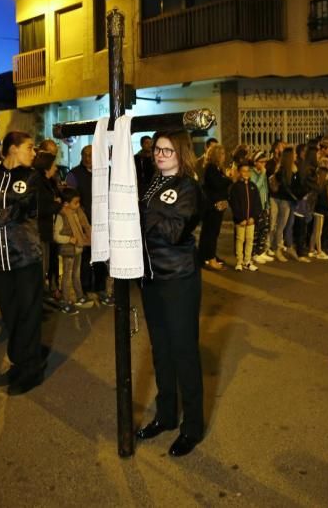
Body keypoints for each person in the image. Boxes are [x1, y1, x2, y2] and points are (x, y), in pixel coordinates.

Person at [136, 131, 205, 457]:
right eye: (158, 149)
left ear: (181, 153)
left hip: (179, 279)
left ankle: (193, 426)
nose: (160, 154)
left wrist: (144, 216)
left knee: (184, 353)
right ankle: (166, 416)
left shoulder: (188, 187)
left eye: (168, 150)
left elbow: (175, 231)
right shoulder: (152, 183)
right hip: (151, 278)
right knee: (160, 350)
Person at [0, 131, 46, 396]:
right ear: (13, 149)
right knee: (11, 314)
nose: (34, 152)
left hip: (25, 256)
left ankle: (32, 370)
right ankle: (19, 363)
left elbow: (19, 208)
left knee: (29, 314)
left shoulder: (32, 177)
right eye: (29, 147)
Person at [65, 145, 113, 305]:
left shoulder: (106, 172)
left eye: (91, 155)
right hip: (83, 224)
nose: (87, 158)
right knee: (84, 259)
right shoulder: (73, 175)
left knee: (101, 256)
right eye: (85, 155)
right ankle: (85, 289)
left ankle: (101, 289)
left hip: (102, 222)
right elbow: (70, 198)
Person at [53, 187, 93, 315]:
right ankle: (65, 301)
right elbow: (56, 236)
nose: (78, 205)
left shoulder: (77, 213)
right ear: (66, 203)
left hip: (78, 249)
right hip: (68, 250)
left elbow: (83, 227)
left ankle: (79, 296)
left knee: (76, 274)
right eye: (75, 202)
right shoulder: (62, 215)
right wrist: (69, 239)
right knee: (67, 276)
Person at [33, 151, 62, 299]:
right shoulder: (38, 183)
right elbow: (41, 207)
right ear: (46, 167)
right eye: (54, 165)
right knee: (41, 267)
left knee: (45, 266)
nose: (56, 168)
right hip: (40, 231)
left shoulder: (48, 181)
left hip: (46, 230)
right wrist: (56, 205)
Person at [198, 143, 230, 271]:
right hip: (212, 206)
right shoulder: (211, 168)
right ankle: (210, 259)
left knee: (211, 232)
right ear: (216, 155)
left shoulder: (217, 168)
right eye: (221, 154)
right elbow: (217, 184)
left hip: (217, 205)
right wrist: (229, 179)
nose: (224, 156)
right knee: (210, 233)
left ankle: (207, 256)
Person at [228, 160, 262, 271]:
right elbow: (234, 204)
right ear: (239, 172)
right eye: (243, 171)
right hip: (240, 221)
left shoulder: (253, 186)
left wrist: (253, 217)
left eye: (248, 171)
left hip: (251, 220)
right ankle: (239, 261)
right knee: (240, 240)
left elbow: (257, 203)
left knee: (250, 239)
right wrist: (240, 218)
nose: (246, 173)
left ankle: (247, 261)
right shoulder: (236, 187)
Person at [249, 151, 274, 264]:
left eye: (265, 162)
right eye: (262, 162)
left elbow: (266, 190)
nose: (264, 164)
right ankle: (254, 254)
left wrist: (267, 205)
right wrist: (262, 174)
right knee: (256, 231)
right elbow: (255, 187)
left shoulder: (262, 173)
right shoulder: (252, 173)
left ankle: (261, 251)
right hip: (255, 207)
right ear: (255, 162)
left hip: (264, 205)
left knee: (264, 229)